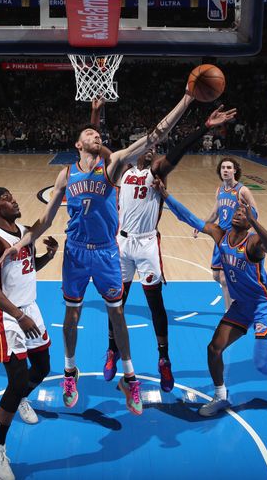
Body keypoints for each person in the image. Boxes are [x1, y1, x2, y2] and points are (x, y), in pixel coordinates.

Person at [0, 86, 197, 416]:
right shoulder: (65, 174)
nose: (93, 134)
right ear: (78, 144)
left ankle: (130, 377)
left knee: (116, 314)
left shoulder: (115, 164)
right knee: (71, 315)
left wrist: (187, 100)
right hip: (76, 253)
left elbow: (153, 137)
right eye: (87, 133)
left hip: (107, 252)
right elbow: (46, 219)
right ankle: (69, 371)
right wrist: (22, 242)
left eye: (96, 131)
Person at [95, 99, 238, 393]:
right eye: (145, 147)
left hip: (147, 245)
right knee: (116, 303)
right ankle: (112, 351)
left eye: (154, 149)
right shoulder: (121, 169)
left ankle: (164, 360)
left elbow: (178, 151)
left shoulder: (156, 173)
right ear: (134, 152)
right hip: (122, 244)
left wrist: (204, 128)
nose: (150, 151)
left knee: (155, 304)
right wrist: (96, 113)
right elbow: (95, 145)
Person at [153, 177, 267, 415]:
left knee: (260, 363)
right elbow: (189, 218)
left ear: (249, 222)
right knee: (214, 348)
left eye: (243, 212)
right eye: (237, 211)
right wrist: (165, 195)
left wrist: (255, 221)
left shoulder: (253, 242)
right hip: (241, 306)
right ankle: (220, 396)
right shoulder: (220, 234)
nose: (238, 213)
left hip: (263, 305)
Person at [0, 187, 58, 480]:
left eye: (13, 196)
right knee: (18, 378)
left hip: (30, 309)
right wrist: (19, 315)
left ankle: (20, 398)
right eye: (6, 200)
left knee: (43, 367)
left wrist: (49, 255)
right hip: (8, 315)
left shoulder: (24, 232)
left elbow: (28, 266)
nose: (14, 200)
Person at [198, 158, 257, 311]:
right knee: (217, 276)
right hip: (220, 237)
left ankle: (229, 313)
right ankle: (239, 292)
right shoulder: (220, 190)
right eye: (223, 167)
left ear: (235, 170)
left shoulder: (242, 190)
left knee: (224, 279)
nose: (225, 170)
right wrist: (200, 225)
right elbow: (214, 213)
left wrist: (250, 233)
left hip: (234, 238)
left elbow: (255, 213)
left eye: (229, 167)